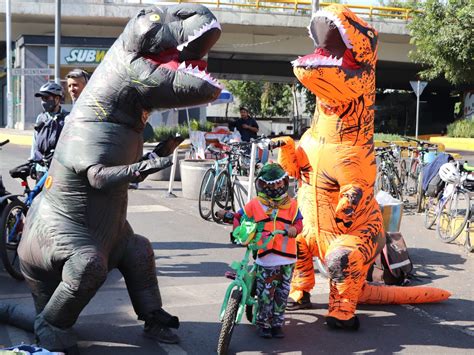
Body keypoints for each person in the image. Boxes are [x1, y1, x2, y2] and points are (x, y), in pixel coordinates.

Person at [222, 163, 303, 339]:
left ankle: (277, 324)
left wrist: (294, 230)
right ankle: (263, 324)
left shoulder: (292, 205)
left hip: (288, 258)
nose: (274, 187)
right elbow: (238, 216)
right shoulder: (255, 204)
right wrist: (238, 232)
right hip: (266, 257)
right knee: (266, 293)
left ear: (284, 183)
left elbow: (299, 223)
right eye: (270, 184)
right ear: (262, 184)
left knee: (282, 294)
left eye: (278, 184)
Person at [30, 81, 69, 180]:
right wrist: (33, 163)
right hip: (41, 169)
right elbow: (35, 142)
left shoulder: (67, 118)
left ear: (57, 99)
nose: (43, 102)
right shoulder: (41, 117)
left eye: (46, 98)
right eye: (42, 99)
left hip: (59, 170)